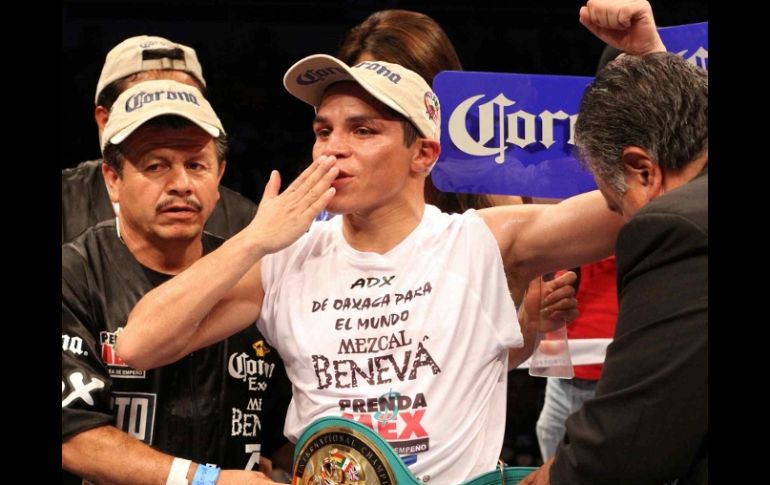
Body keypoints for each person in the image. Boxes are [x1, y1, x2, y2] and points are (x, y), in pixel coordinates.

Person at [116, 53, 622, 484]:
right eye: (323, 131)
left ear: (422, 153)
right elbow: (139, 346)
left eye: (363, 130)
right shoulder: (286, 257)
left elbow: (643, 197)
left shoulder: (483, 241)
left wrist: (648, 51)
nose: (334, 148)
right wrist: (253, 239)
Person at [337, 9, 580, 466]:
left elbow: (502, 353)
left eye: (404, 87)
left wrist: (532, 318)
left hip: (457, 443)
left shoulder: (488, 190)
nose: (394, 103)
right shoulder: (331, 203)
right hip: (348, 445)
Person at [62, 80, 291, 484]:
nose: (181, 184)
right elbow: (72, 436)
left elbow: (289, 420)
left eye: (196, 165)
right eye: (156, 165)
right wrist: (203, 480)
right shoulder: (74, 275)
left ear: (219, 175)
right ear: (112, 180)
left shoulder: (261, 272)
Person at [521, 1, 707, 484]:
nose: (618, 219)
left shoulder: (674, 227)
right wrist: (656, 57)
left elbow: (619, 453)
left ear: (643, 170)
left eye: (613, 203)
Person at [62, 35, 256, 244]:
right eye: (147, 106)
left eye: (183, 108)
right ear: (105, 120)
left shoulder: (241, 218)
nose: (168, 127)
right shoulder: (67, 202)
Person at [534, 257, 617, 461]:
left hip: (609, 383)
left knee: (602, 456)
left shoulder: (632, 248)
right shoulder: (569, 250)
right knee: (548, 433)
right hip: (561, 376)